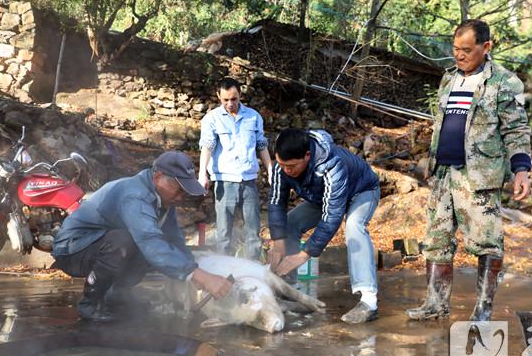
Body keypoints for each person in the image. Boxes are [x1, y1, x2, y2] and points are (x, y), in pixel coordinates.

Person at [406, 19, 531, 322]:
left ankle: (483, 308)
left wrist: (521, 169)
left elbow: (516, 129)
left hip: (478, 175)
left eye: (466, 50)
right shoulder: (448, 78)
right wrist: (432, 161)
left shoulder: (503, 81)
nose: (458, 56)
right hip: (443, 173)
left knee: (486, 241)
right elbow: (441, 123)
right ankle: (435, 303)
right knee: (436, 240)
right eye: (455, 49)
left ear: (486, 47)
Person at [52, 151, 234, 322]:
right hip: (73, 249)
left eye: (184, 192)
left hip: (100, 244)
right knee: (125, 242)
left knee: (148, 246)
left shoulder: (164, 201)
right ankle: (90, 304)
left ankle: (117, 294)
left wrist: (194, 273)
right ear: (158, 178)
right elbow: (152, 245)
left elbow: (174, 241)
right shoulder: (135, 196)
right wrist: (201, 276)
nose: (181, 197)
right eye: (178, 190)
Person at [267, 129, 381, 324]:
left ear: (307, 156)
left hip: (361, 191)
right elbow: (276, 203)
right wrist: (278, 244)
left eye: (292, 166)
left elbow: (332, 216)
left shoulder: (331, 165)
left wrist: (304, 254)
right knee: (290, 223)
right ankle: (289, 288)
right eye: (282, 164)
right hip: (324, 198)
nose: (286, 170)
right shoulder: (281, 167)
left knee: (354, 226)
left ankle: (369, 301)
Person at [198, 77, 272, 260]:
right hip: (224, 181)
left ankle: (253, 269)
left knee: (253, 229)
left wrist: (271, 170)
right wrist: (202, 174)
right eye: (225, 100)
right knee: (224, 232)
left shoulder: (253, 117)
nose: (230, 103)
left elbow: (261, 145)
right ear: (218, 96)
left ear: (240, 95)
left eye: (234, 99)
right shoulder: (212, 119)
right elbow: (207, 146)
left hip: (248, 180)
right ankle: (224, 271)